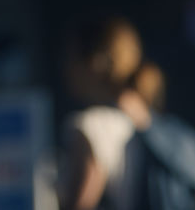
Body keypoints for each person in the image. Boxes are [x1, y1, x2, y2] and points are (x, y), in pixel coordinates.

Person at [60, 16, 153, 209]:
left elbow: (81, 203)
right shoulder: (147, 117)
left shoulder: (90, 125)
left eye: (70, 58)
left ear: (94, 63)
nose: (66, 69)